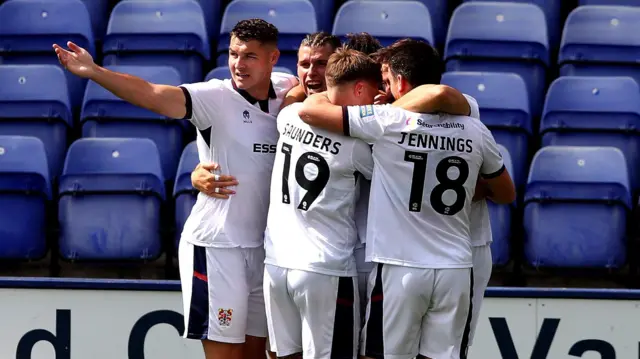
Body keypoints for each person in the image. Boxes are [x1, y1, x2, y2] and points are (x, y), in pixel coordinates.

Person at [54, 18, 299, 359]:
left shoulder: (288, 89)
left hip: (264, 249)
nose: (238, 64)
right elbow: (152, 94)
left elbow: (314, 87)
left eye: (250, 56)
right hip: (218, 246)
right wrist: (95, 71)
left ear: (273, 59)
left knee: (258, 354)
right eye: (233, 54)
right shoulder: (214, 96)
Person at [297, 38, 516, 359]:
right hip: (457, 265)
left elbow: (310, 111)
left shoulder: (385, 123)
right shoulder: (474, 127)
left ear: (400, 81)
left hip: (401, 267)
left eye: (386, 80)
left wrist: (383, 113)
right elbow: (506, 193)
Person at [263, 48, 379, 359]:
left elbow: (309, 105)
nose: (373, 103)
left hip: (276, 263)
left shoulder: (287, 117)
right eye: (371, 93)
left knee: (283, 355)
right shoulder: (357, 148)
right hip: (325, 269)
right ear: (358, 88)